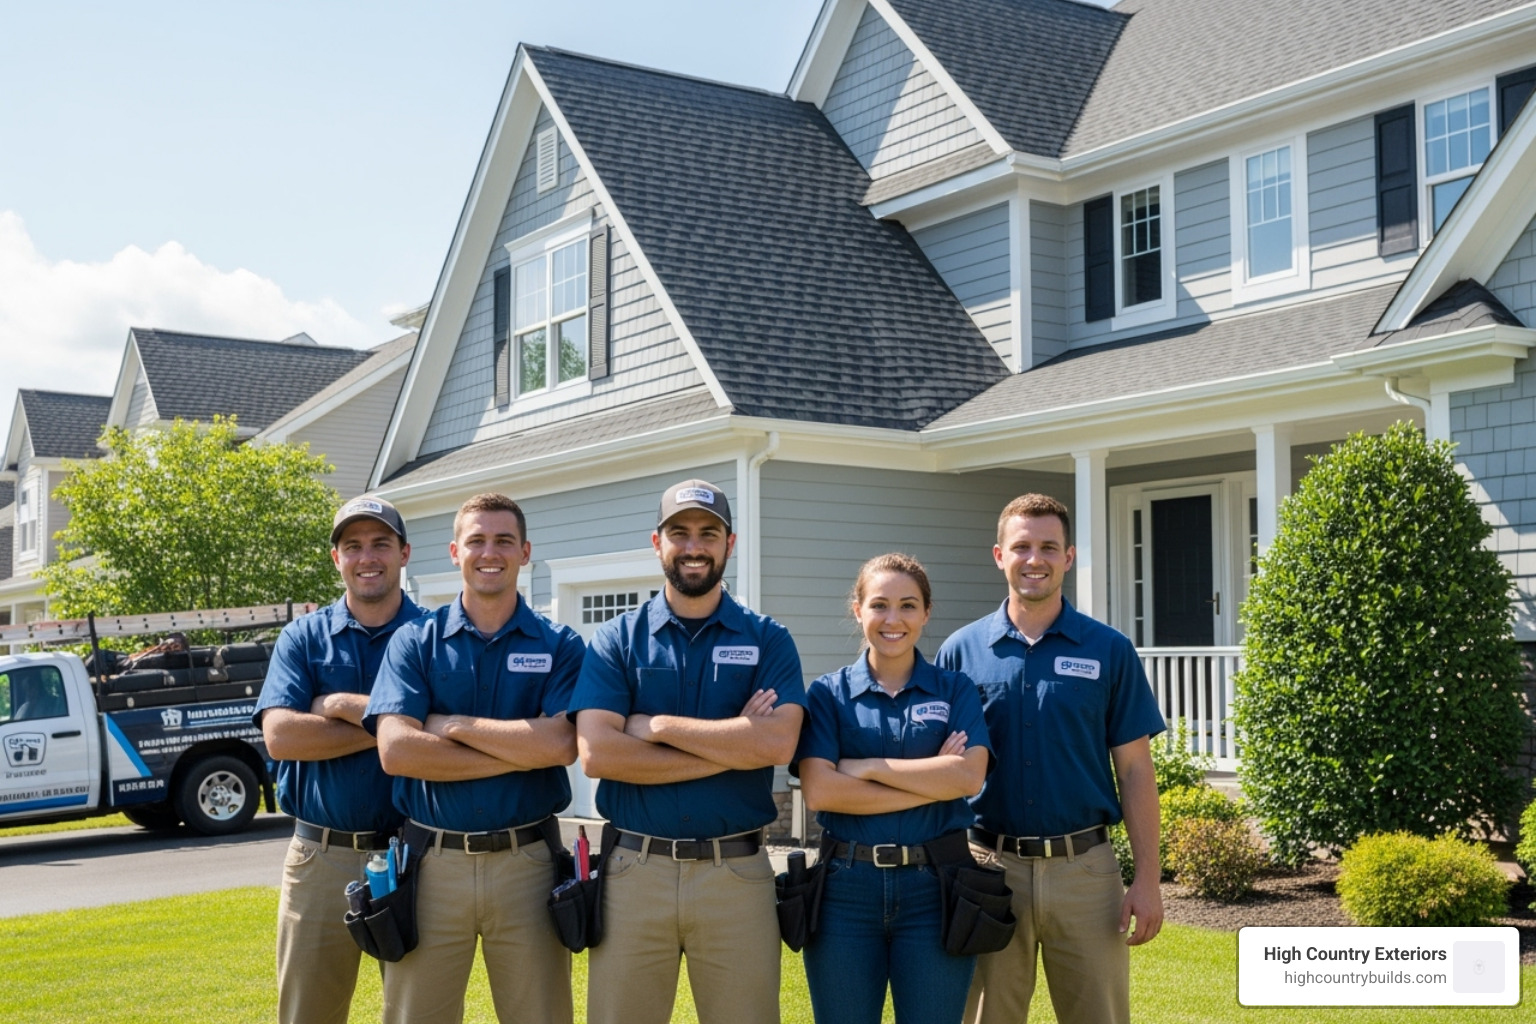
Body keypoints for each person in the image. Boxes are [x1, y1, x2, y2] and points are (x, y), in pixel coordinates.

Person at [571, 478, 806, 1024]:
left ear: (730, 543)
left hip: (738, 874)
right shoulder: (617, 640)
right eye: (680, 532)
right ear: (658, 543)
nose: (694, 545)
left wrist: (654, 726)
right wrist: (735, 741)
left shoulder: (768, 639)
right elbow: (599, 754)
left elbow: (777, 742)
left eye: (709, 533)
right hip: (635, 871)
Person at [935, 493, 1165, 1024]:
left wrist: (1147, 879)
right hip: (988, 871)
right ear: (999, 555)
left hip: (1086, 874)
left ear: (1069, 557)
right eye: (1021, 546)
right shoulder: (959, 651)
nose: (1034, 558)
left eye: (1048, 547)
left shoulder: (1108, 651)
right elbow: (940, 767)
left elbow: (1134, 770)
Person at [364, 492, 584, 1024]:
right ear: (454, 551)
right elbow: (396, 751)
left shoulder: (560, 645)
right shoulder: (414, 642)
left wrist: (453, 725)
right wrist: (518, 751)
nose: (491, 552)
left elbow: (560, 745)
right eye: (478, 540)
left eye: (504, 540)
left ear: (525, 552)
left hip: (528, 865)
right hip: (430, 866)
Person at [796, 553, 992, 1024]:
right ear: (858, 609)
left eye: (908, 605)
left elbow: (968, 777)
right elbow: (821, 792)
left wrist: (863, 767)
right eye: (879, 604)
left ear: (926, 612)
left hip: (937, 887)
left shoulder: (954, 689)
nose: (893, 619)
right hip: (845, 890)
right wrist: (933, 778)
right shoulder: (828, 694)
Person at [254, 495, 423, 1024]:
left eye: (380, 544)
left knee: (416, 1010)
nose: (367, 557)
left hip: (416, 857)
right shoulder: (303, 638)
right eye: (353, 546)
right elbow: (282, 737)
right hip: (320, 857)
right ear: (336, 559)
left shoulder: (435, 636)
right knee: (310, 1012)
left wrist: (344, 707)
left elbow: (446, 730)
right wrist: (396, 726)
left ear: (404, 553)